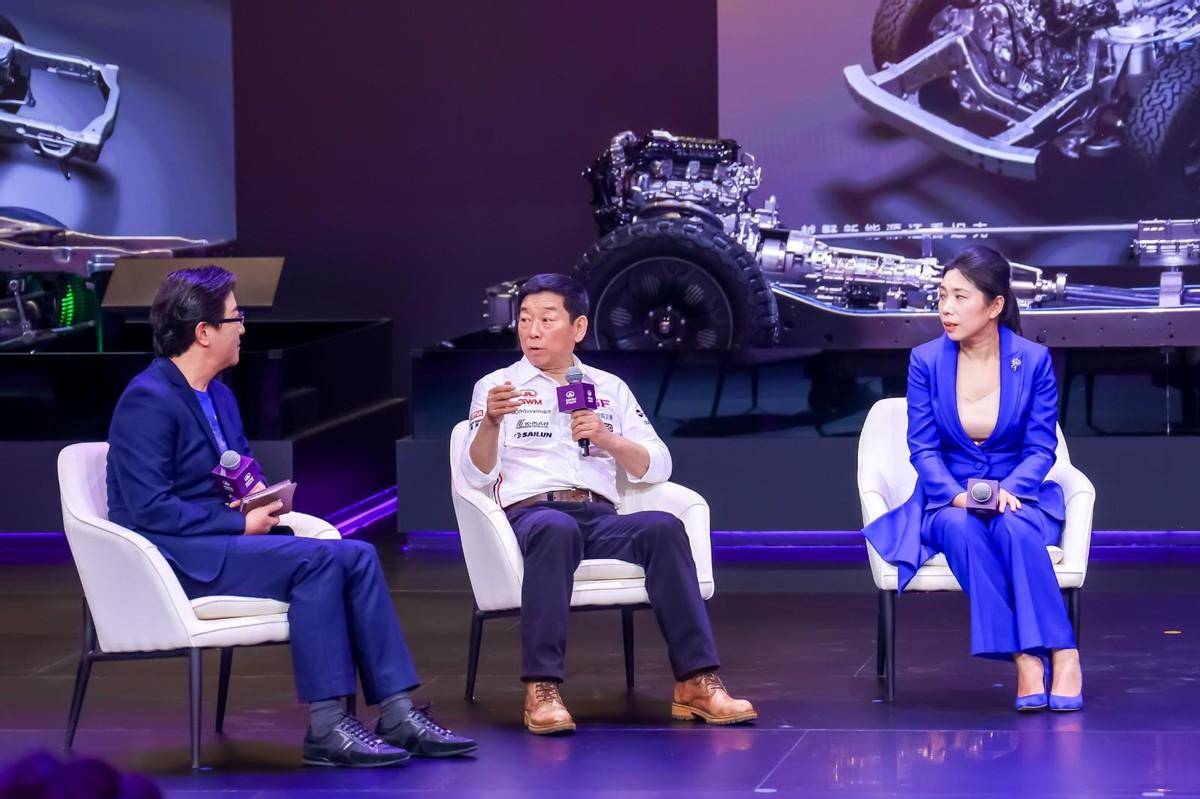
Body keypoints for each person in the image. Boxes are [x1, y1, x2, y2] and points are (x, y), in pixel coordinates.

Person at [106, 266, 477, 766]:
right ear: (204, 332)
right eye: (236, 317)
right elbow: (147, 507)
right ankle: (326, 727)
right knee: (318, 563)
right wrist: (239, 523)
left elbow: (236, 468)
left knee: (359, 556)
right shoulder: (147, 401)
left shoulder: (219, 395)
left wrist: (259, 497)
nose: (243, 328)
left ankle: (397, 713)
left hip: (221, 543)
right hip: (178, 559)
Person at [461, 272, 756, 734]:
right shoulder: (497, 387)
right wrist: (491, 424)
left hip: (600, 516)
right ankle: (541, 689)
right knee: (555, 529)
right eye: (525, 320)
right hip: (532, 514)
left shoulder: (609, 388)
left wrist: (607, 438)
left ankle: (696, 681)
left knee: (663, 527)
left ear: (577, 327)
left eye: (546, 320)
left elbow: (658, 465)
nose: (533, 331)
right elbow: (475, 475)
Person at [862, 245, 1083, 712]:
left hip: (1018, 492)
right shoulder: (925, 361)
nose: (946, 307)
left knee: (1015, 528)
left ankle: (1064, 653)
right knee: (962, 529)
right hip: (947, 499)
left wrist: (1011, 491)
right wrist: (956, 496)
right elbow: (922, 448)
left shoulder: (1033, 361)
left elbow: (1040, 447)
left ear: (995, 305)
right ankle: (1027, 658)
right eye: (942, 295)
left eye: (960, 297)